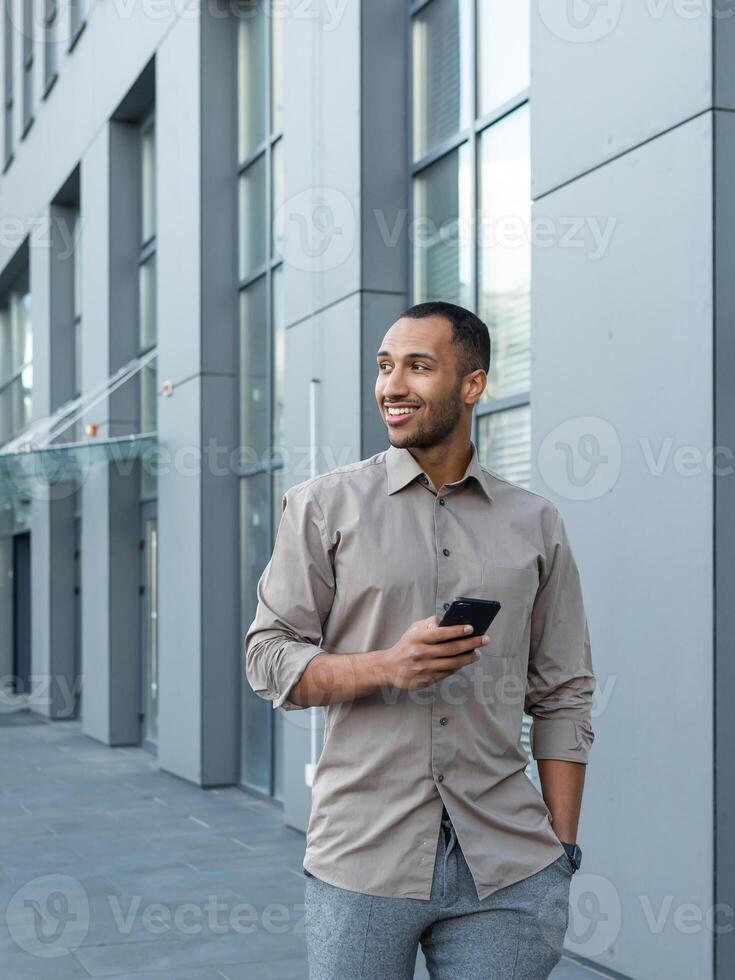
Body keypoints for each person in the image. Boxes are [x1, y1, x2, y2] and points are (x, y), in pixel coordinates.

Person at [245, 301, 596, 979]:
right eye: (384, 367)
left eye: (418, 366)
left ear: (472, 384)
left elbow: (564, 694)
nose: (392, 386)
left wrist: (562, 847)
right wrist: (386, 666)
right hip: (363, 858)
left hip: (509, 868)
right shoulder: (323, 507)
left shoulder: (536, 524)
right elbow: (268, 655)